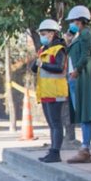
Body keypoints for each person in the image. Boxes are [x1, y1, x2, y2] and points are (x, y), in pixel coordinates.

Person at [64, 5, 91, 163]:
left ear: (80, 21)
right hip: (75, 78)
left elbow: (85, 55)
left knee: (85, 113)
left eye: (74, 21)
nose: (71, 24)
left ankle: (85, 149)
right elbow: (71, 54)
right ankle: (84, 148)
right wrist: (68, 40)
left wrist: (76, 71)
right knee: (81, 114)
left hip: (82, 77)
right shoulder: (78, 36)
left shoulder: (87, 34)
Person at [29, 19, 68, 163]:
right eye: (40, 34)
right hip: (45, 92)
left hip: (56, 92)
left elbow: (59, 68)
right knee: (52, 124)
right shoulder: (43, 49)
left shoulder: (60, 49)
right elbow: (34, 69)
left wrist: (42, 64)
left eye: (44, 33)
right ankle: (52, 151)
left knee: (56, 123)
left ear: (52, 34)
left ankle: (56, 152)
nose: (42, 36)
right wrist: (37, 62)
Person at [61, 29, 78, 147]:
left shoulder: (76, 48)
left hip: (73, 80)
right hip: (65, 81)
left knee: (73, 107)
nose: (68, 37)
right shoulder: (64, 50)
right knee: (65, 109)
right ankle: (68, 134)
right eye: (67, 35)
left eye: (70, 35)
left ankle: (70, 135)